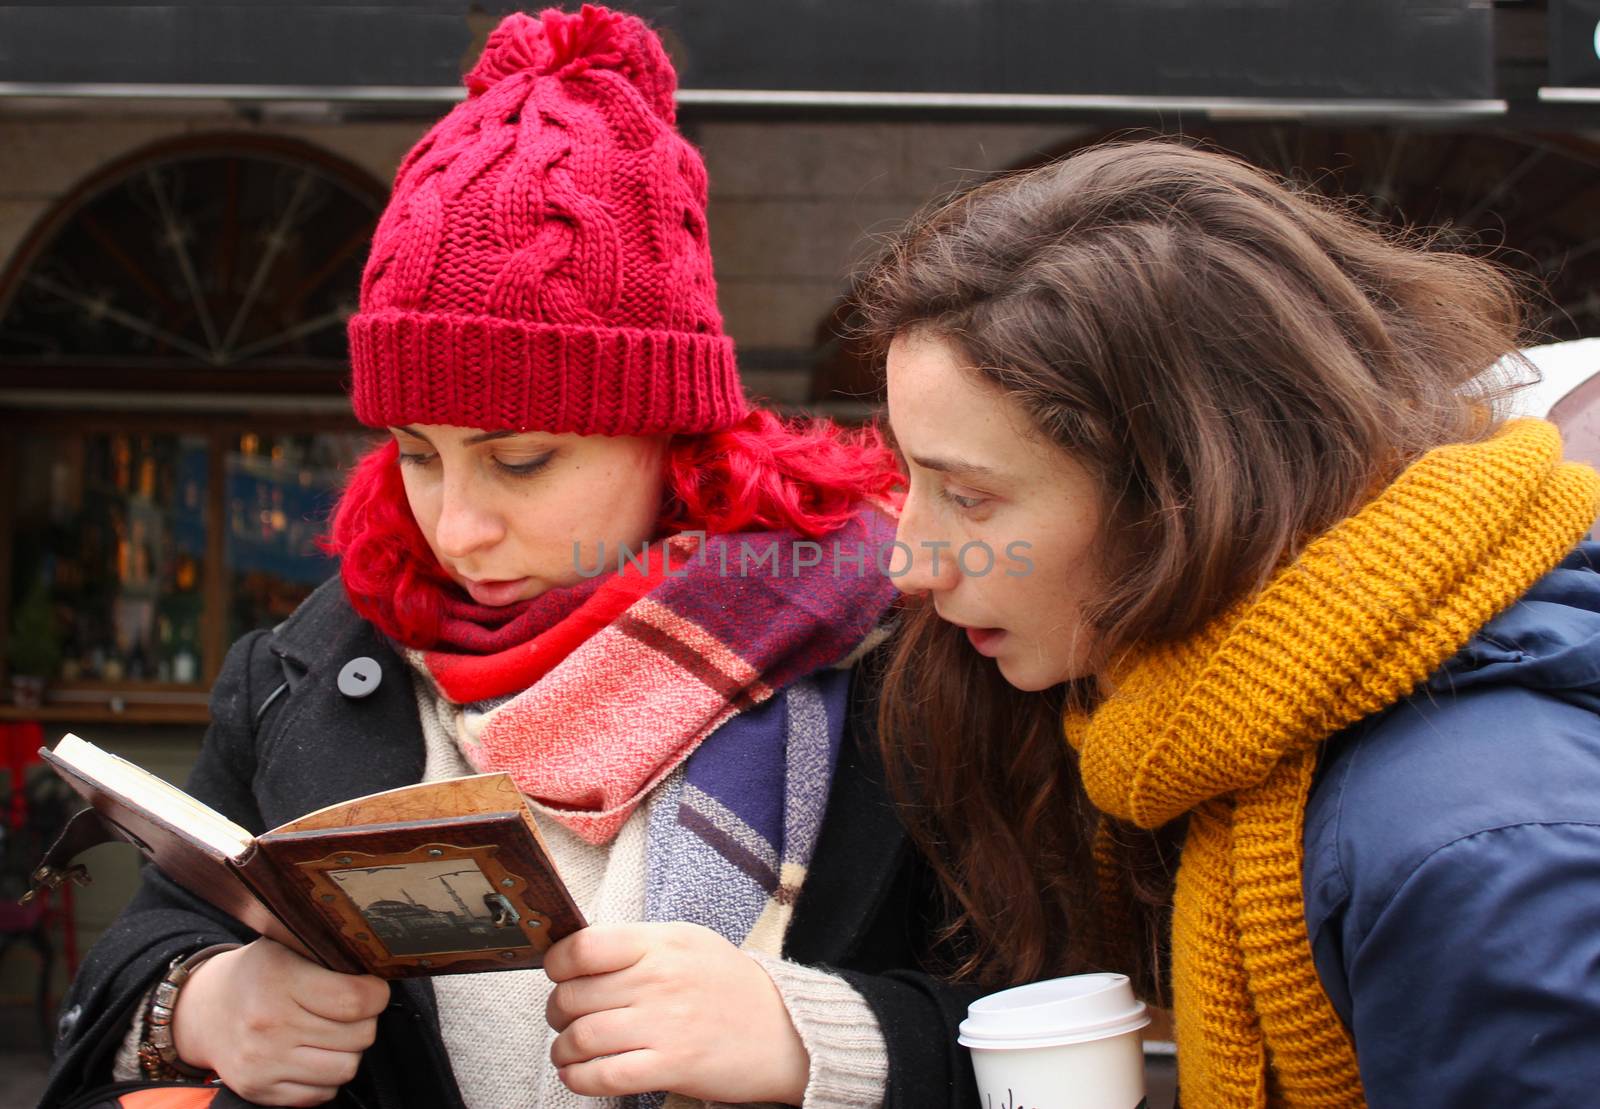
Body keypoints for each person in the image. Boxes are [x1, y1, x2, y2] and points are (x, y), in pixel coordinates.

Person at [41, 8, 984, 1108]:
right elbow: (131, 960)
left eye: (521, 459)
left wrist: (818, 1037)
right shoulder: (308, 668)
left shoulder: (898, 662)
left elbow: (1073, 1022)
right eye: (415, 454)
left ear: (672, 429)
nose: (454, 528)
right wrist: (204, 999)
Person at [859, 139, 1600, 1108]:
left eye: (968, 494)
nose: (909, 560)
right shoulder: (1207, 735)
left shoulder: (1463, 848)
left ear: (1187, 492)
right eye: (909, 476)